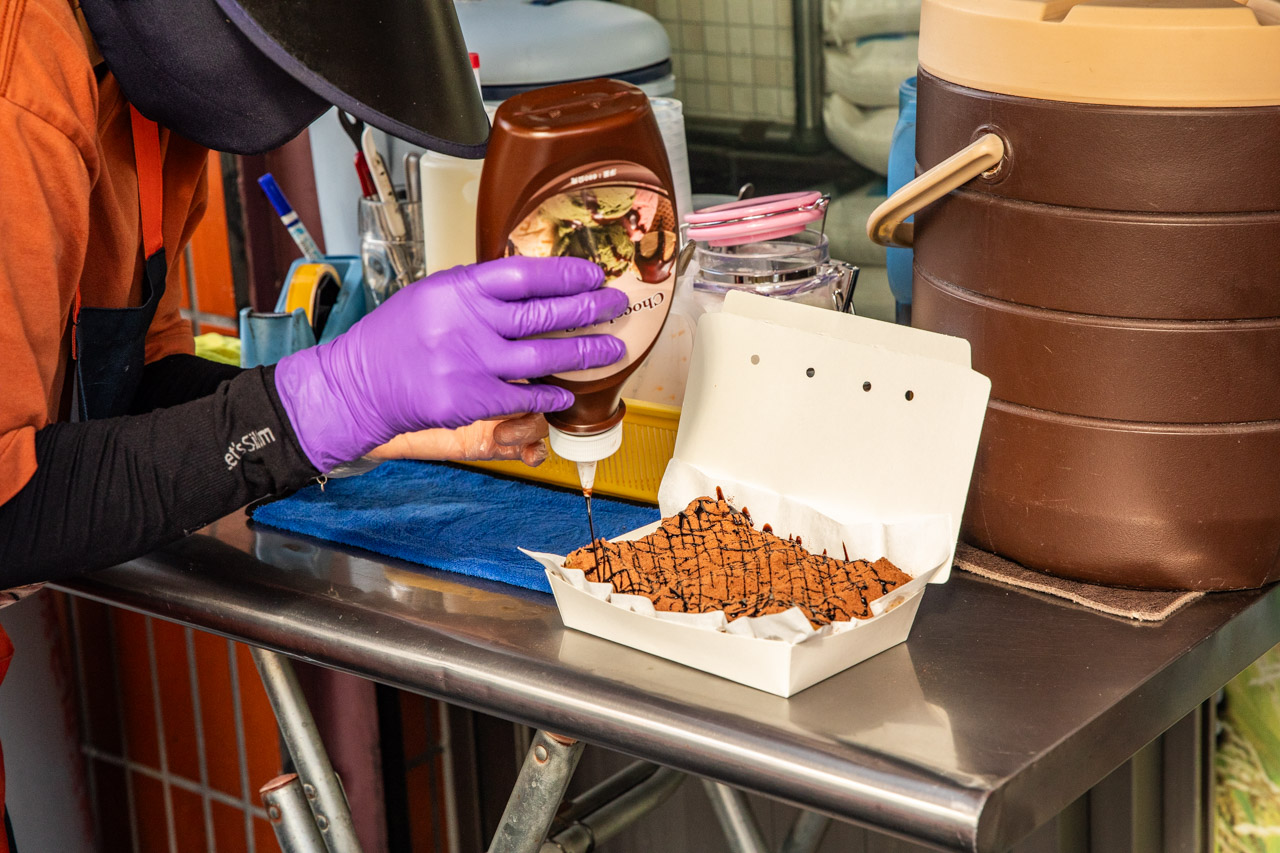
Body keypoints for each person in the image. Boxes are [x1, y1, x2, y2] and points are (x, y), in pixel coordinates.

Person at [0, 0, 629, 847]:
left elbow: (128, 393)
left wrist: (380, 424)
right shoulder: (20, 88)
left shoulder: (147, 101)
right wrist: (336, 394)